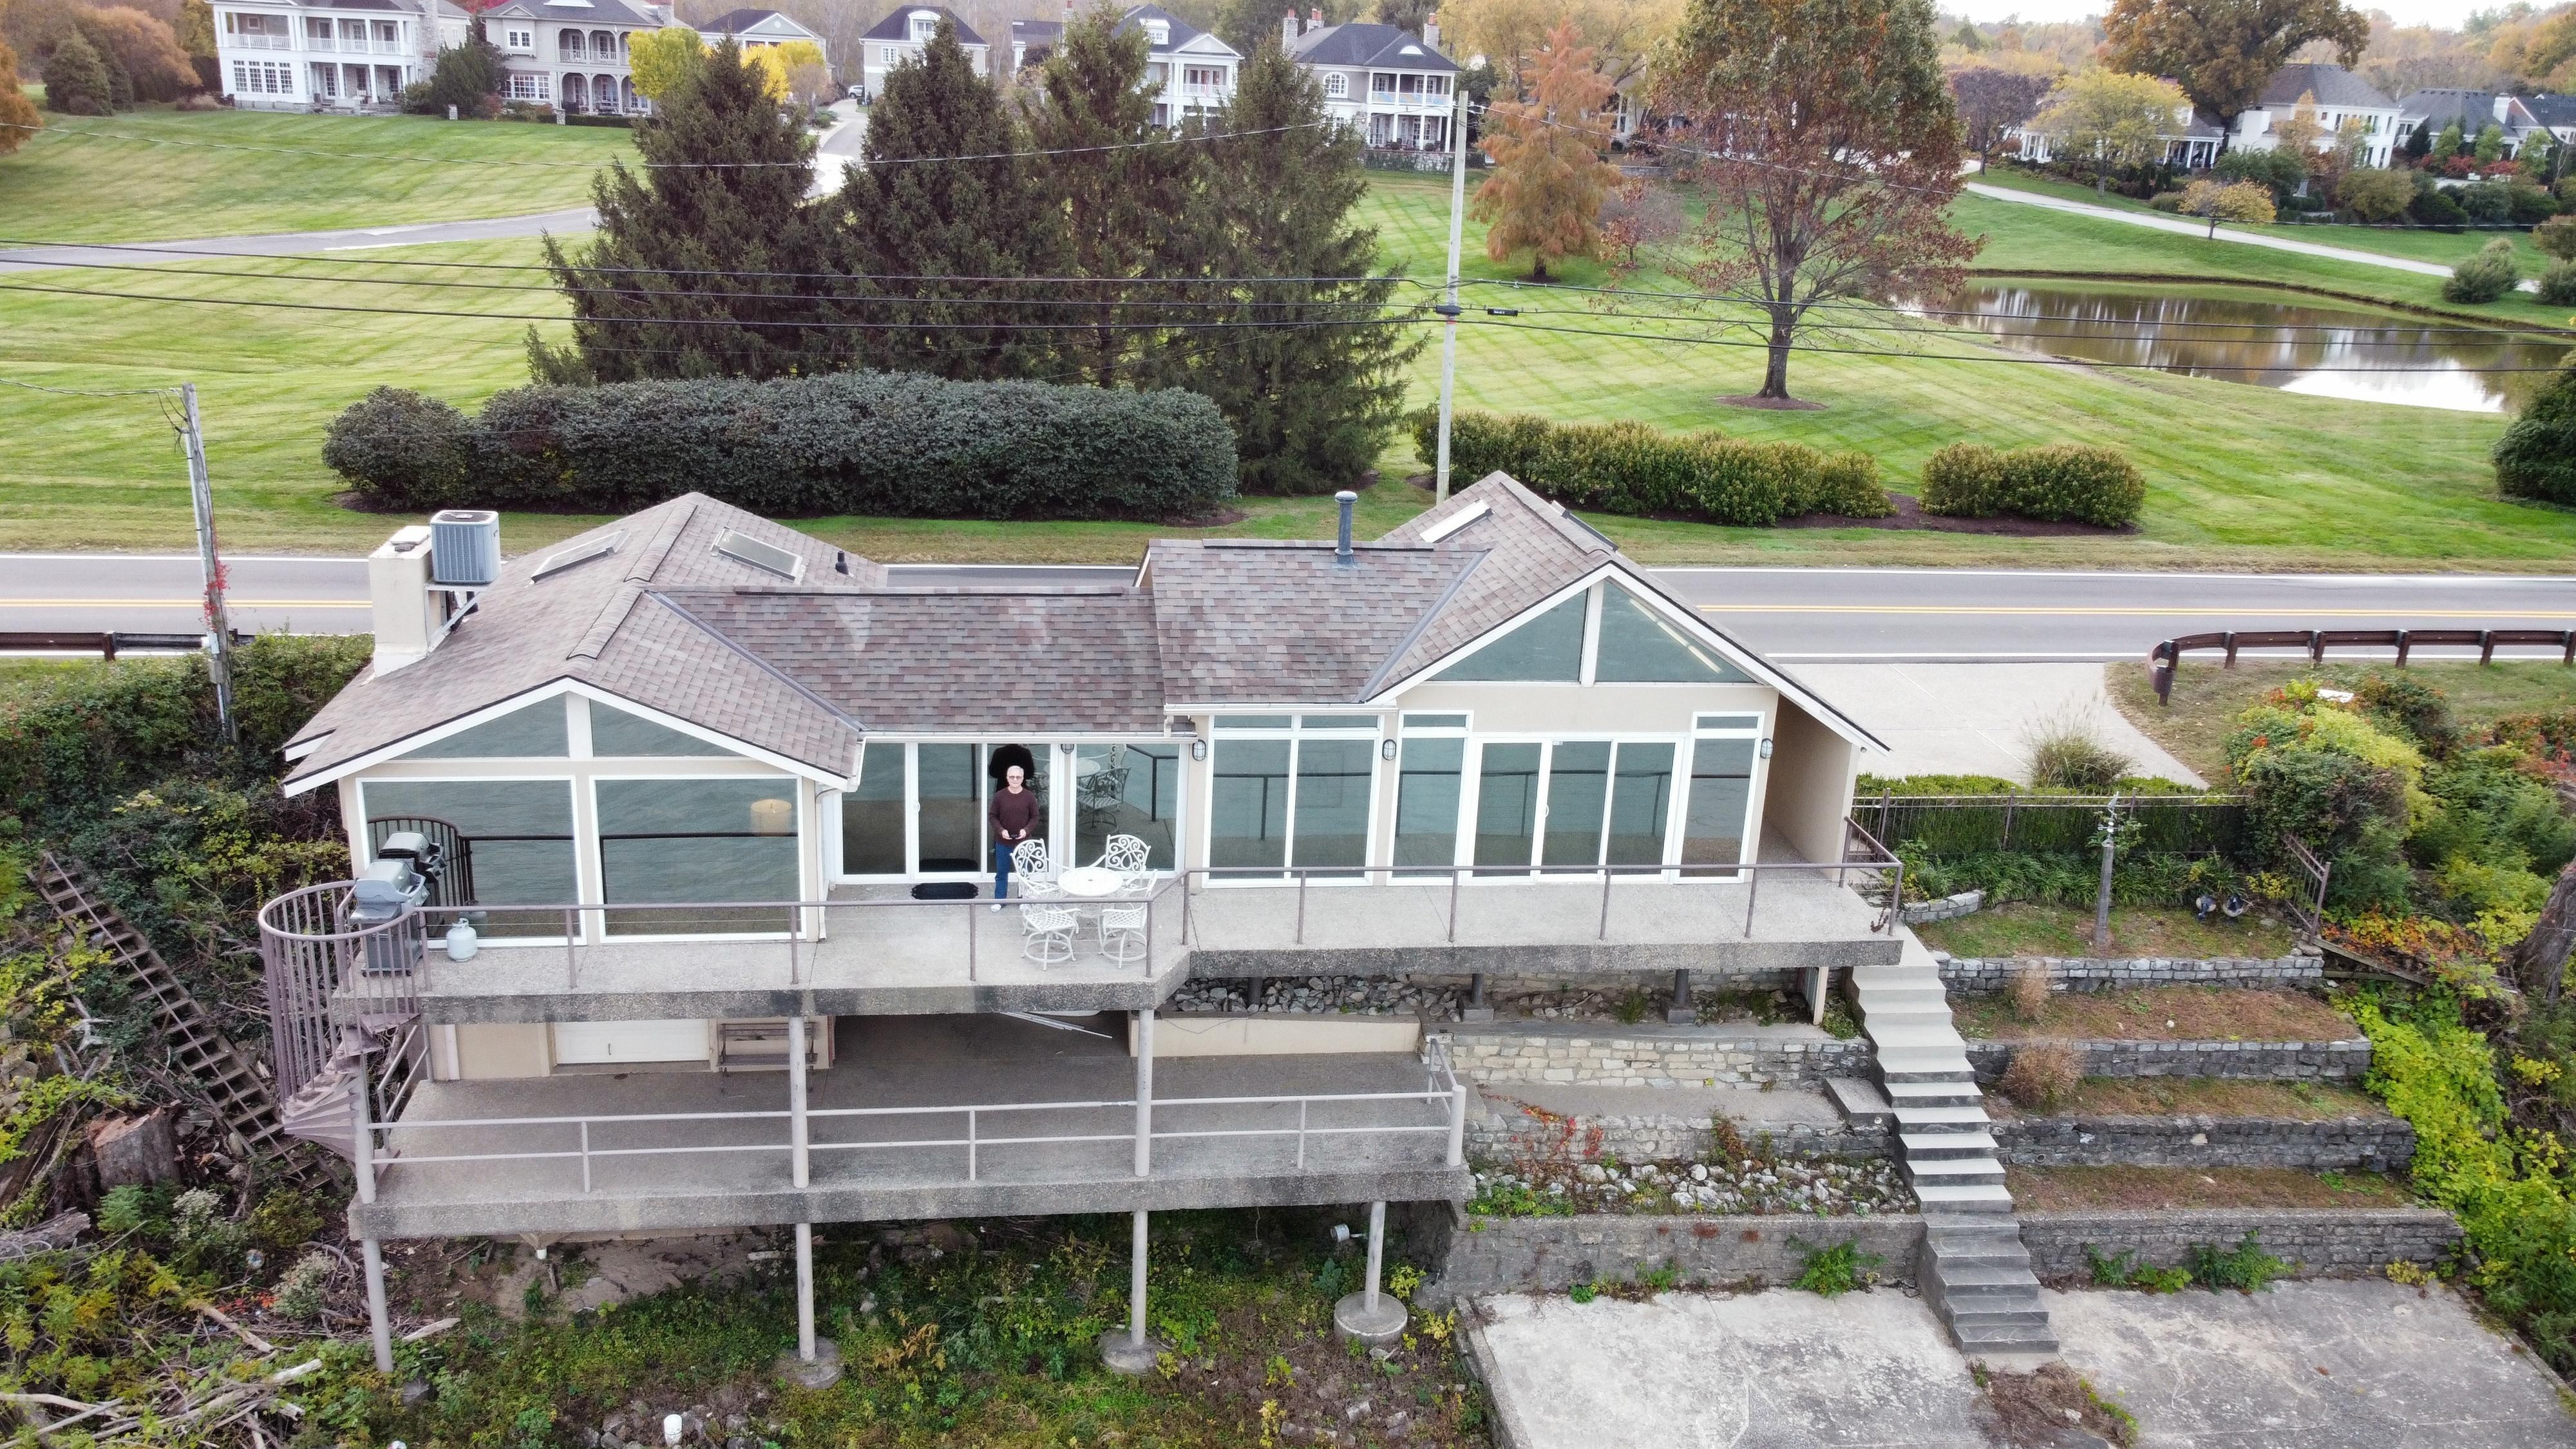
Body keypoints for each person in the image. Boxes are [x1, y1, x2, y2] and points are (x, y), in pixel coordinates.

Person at [989, 763, 1040, 909]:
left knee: (1023, 873)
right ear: (1007, 778)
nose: (1015, 779)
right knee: (1001, 873)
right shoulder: (1000, 796)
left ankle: (1023, 899)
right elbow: (992, 816)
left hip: (1023, 843)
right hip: (1003, 842)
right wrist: (1001, 830)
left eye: (1018, 777)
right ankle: (999, 900)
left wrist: (1026, 830)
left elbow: (1035, 817)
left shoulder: (1029, 797)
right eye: (1012, 777)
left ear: (1023, 778)